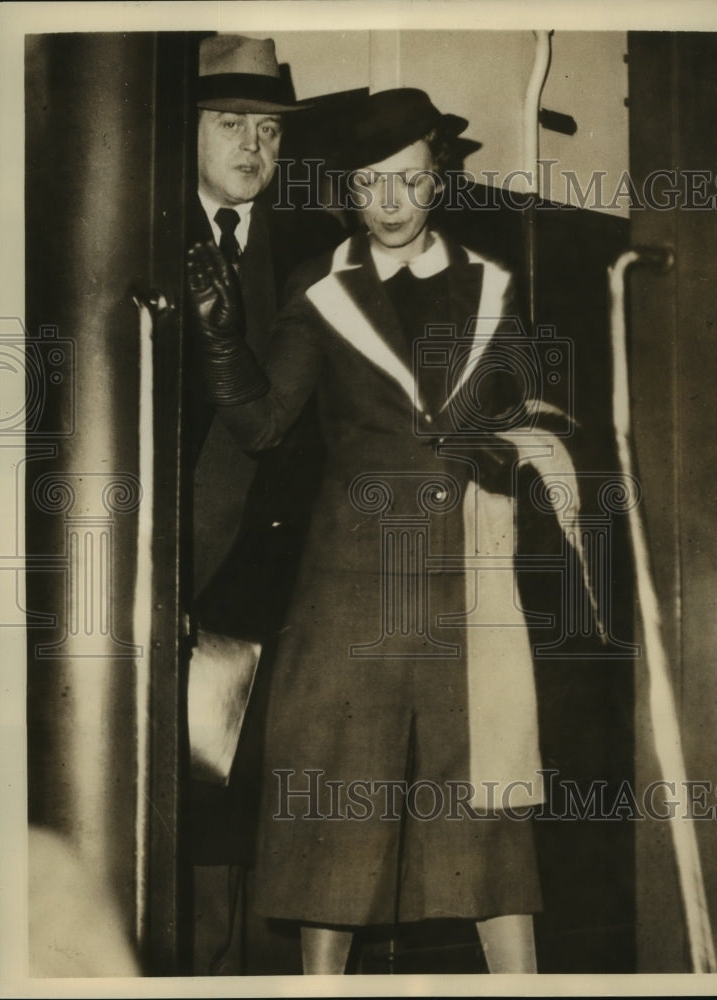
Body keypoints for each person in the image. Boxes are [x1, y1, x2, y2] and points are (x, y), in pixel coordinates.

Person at [187, 88, 554, 975]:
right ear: (348, 191)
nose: (391, 202)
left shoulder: (494, 284)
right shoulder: (321, 286)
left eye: (410, 181)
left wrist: (516, 451)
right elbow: (264, 424)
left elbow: (533, 414)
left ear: (439, 181)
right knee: (336, 817)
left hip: (466, 588)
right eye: (370, 184)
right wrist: (223, 343)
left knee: (487, 819)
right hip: (348, 592)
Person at [186, 33, 342, 972]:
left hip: (277, 574)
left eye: (270, 130)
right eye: (231, 123)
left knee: (256, 810)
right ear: (186, 133)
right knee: (187, 812)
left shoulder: (311, 248)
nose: (255, 146)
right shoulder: (134, 229)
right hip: (176, 572)